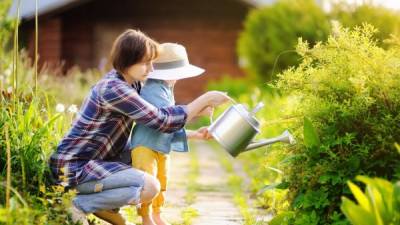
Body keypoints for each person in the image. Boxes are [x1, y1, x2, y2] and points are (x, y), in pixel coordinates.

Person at [48, 29, 230, 225]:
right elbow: (162, 121)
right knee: (150, 186)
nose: (151, 69)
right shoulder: (114, 89)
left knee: (139, 152)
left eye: (152, 62)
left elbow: (151, 131)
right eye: (145, 62)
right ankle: (78, 204)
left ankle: (104, 206)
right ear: (127, 60)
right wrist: (206, 98)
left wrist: (194, 130)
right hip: (74, 167)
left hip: (96, 161)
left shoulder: (132, 85)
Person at [128, 43, 211, 225]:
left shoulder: (166, 89)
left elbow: (172, 125)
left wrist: (195, 134)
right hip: (145, 146)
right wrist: (198, 110)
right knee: (148, 180)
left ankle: (157, 214)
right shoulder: (152, 89)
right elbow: (166, 120)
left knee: (161, 181)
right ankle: (146, 217)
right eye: (178, 74)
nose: (178, 78)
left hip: (160, 147)